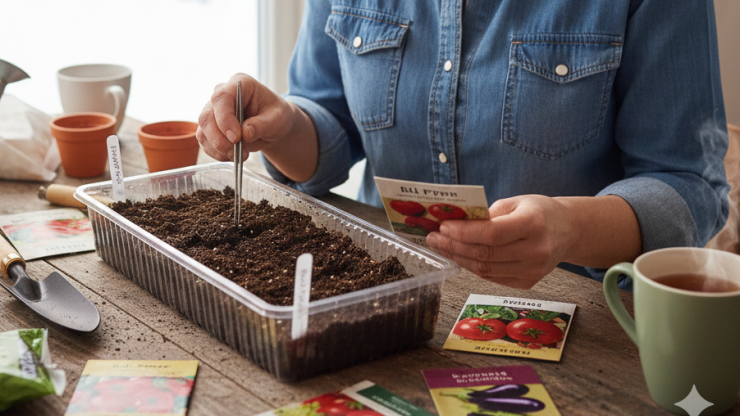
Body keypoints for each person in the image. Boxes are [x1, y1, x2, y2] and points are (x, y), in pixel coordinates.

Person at [196, 0, 730, 289]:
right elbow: (333, 117)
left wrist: (569, 230)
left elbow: (690, 187)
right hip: (385, 292)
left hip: (580, 320)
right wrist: (284, 125)